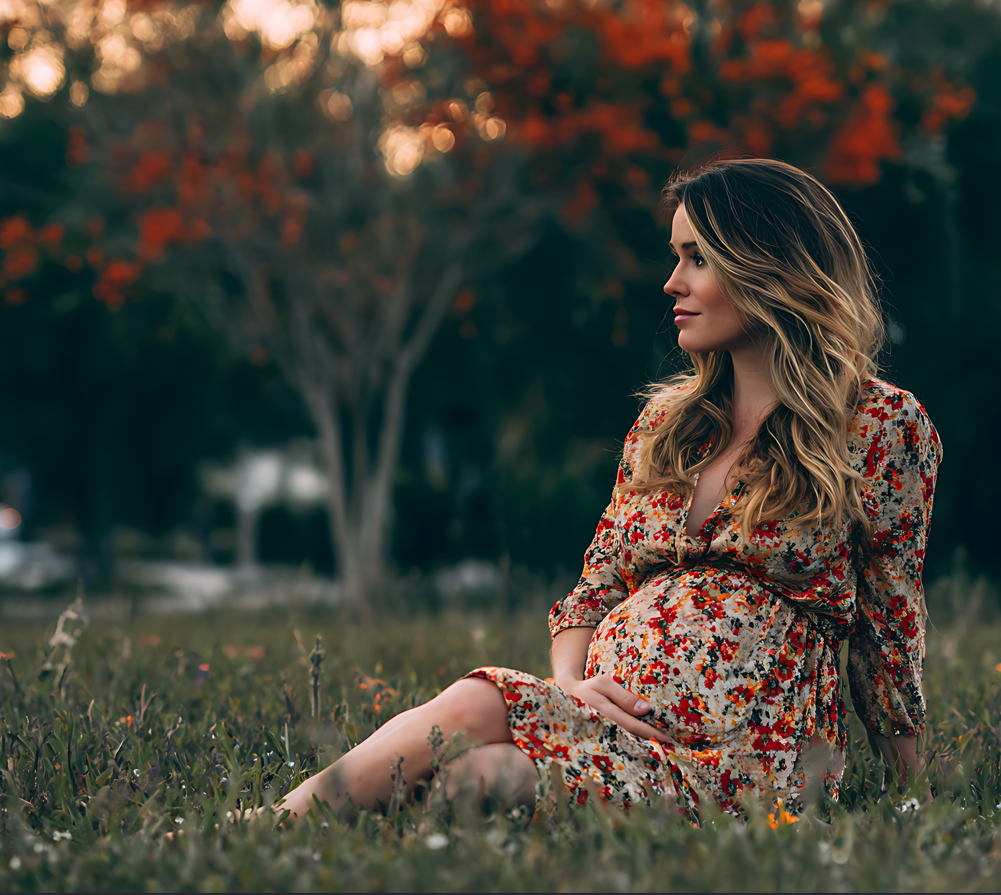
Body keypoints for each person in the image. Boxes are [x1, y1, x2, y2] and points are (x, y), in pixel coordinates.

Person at [274, 157, 942, 821]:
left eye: (696, 258)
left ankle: (282, 833)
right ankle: (284, 833)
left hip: (750, 755)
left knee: (481, 739)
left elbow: (889, 624)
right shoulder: (669, 424)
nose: (671, 281)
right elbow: (595, 588)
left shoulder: (878, 424)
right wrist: (571, 685)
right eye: (674, 256)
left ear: (767, 267)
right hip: (613, 722)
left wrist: (910, 795)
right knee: (475, 740)